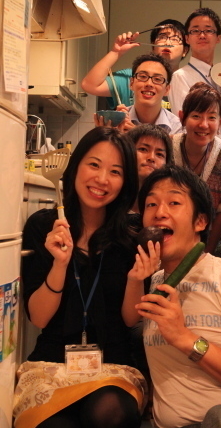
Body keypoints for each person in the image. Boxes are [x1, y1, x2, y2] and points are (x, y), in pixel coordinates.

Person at [122, 165, 221, 428]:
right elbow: (130, 319)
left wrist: (185, 338)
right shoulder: (155, 283)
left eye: (174, 202)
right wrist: (135, 279)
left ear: (200, 221)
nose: (159, 212)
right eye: (151, 204)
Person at [14, 127, 146, 428]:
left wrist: (137, 278)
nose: (102, 179)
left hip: (113, 367)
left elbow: (130, 320)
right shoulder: (44, 227)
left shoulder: (131, 235)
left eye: (115, 171)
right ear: (75, 167)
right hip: (51, 364)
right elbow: (39, 317)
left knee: (109, 414)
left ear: (125, 182)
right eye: (94, 164)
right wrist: (60, 264)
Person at [172, 82, 221, 254]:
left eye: (211, 117)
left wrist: (207, 252)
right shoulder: (166, 148)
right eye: (196, 116)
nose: (204, 125)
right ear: (182, 117)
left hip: (210, 239)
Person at [81, 19, 189, 108]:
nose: (167, 42)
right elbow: (90, 85)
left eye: (175, 39)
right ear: (153, 46)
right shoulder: (132, 77)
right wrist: (116, 52)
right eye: (162, 37)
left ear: (185, 50)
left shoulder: (187, 82)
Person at [168, 8, 221, 143]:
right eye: (195, 31)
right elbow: (185, 127)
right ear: (187, 38)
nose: (202, 35)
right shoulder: (180, 77)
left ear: (218, 38)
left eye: (208, 30)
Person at [101, 53, 182, 134]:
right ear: (131, 83)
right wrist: (109, 135)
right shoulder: (117, 121)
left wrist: (136, 134)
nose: (149, 84)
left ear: (167, 89)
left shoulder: (177, 127)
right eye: (143, 76)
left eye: (157, 79)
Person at [125, 123, 173, 213]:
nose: (151, 158)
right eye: (143, 149)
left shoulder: (168, 209)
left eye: (159, 154)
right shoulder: (110, 197)